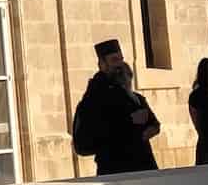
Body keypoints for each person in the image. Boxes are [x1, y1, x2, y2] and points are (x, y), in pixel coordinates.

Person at [68, 38, 159, 175]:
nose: (120, 65)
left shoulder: (134, 97)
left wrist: (150, 128)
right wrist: (130, 121)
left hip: (143, 166)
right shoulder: (94, 97)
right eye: (114, 60)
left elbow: (152, 123)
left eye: (121, 59)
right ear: (102, 65)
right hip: (115, 169)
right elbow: (94, 134)